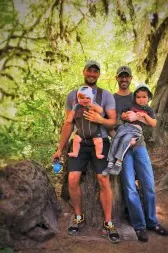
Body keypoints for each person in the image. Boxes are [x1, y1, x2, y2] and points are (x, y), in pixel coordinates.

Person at [52, 60, 120, 243]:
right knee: (72, 178)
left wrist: (100, 118)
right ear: (84, 72)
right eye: (89, 70)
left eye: (95, 71)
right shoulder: (72, 97)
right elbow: (68, 125)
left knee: (103, 178)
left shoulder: (105, 95)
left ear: (98, 75)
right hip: (79, 141)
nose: (92, 74)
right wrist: (59, 149)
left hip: (100, 140)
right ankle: (78, 217)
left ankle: (108, 222)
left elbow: (112, 121)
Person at [114, 66, 168, 242]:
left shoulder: (137, 97)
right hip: (124, 150)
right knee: (130, 187)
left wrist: (138, 117)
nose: (124, 79)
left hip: (140, 148)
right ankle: (139, 226)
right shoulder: (112, 98)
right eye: (121, 76)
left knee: (149, 184)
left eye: (127, 76)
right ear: (117, 78)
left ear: (130, 78)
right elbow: (112, 120)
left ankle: (152, 222)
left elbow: (149, 120)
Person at [102, 83, 156, 176]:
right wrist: (124, 115)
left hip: (135, 130)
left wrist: (144, 115)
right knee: (115, 140)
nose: (141, 99)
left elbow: (154, 123)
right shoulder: (132, 105)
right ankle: (110, 163)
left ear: (148, 97)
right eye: (138, 97)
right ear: (135, 97)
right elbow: (123, 114)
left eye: (144, 97)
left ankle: (118, 163)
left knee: (126, 141)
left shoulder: (148, 110)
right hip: (125, 127)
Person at [67, 85, 104, 159]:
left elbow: (101, 110)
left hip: (94, 131)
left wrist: (92, 105)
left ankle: (98, 154)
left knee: (99, 141)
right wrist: (69, 119)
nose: (85, 100)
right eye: (82, 98)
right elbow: (72, 113)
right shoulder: (76, 106)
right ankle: (75, 152)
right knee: (76, 140)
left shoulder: (94, 105)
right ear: (78, 98)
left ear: (92, 98)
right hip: (81, 132)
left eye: (88, 98)